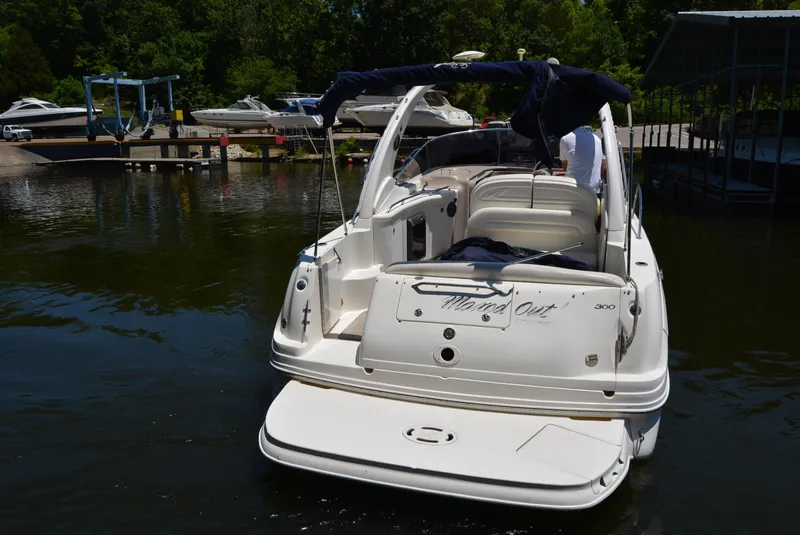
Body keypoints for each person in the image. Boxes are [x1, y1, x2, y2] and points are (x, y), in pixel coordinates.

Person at [559, 126, 606, 194]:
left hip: (572, 191)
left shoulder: (565, 139)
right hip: (594, 193)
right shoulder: (597, 139)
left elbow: (565, 167)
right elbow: (603, 168)